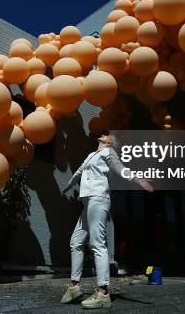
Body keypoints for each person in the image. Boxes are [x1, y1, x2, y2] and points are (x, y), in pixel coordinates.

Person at [60, 132, 154, 309]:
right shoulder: (91, 155)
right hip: (88, 201)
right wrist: (68, 186)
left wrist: (136, 179)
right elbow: (79, 171)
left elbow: (120, 168)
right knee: (76, 242)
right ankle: (74, 287)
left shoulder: (109, 153)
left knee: (97, 243)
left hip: (99, 198)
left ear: (110, 142)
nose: (103, 134)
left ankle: (103, 292)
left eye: (106, 135)